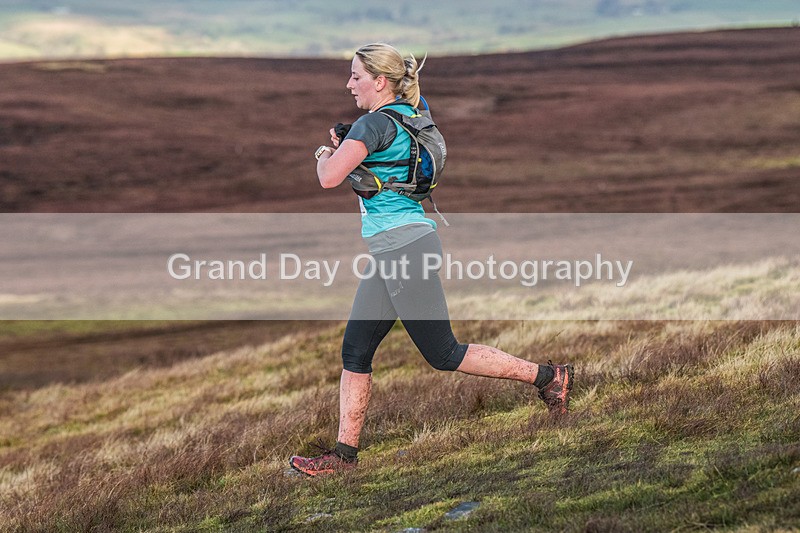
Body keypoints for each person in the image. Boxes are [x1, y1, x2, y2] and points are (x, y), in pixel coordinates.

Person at [289, 43, 573, 477]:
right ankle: (343, 458)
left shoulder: (372, 124)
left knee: (443, 353)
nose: (349, 85)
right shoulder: (411, 110)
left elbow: (329, 178)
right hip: (396, 251)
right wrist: (353, 140)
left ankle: (549, 377)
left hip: (404, 251)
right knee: (356, 350)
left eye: (356, 77)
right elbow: (388, 153)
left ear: (379, 81)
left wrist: (326, 153)